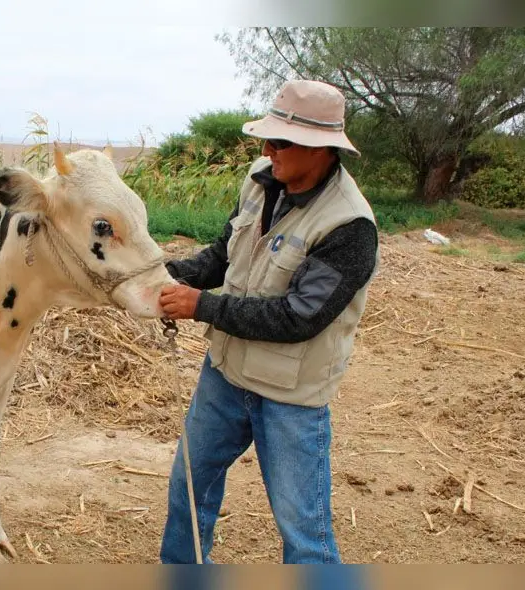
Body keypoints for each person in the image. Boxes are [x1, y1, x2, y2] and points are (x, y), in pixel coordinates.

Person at [157, 79, 380, 564]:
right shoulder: (261, 178)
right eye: (267, 137)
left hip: (290, 398)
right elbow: (224, 255)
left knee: (304, 533)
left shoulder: (349, 226)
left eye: (280, 141)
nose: (266, 149)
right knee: (188, 490)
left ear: (320, 149)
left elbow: (299, 317)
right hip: (225, 374)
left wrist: (203, 307)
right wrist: (164, 276)